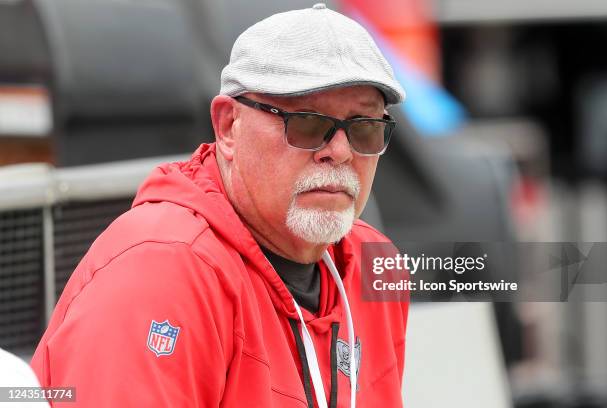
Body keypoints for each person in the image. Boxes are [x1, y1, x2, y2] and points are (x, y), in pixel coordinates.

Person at [31, 3, 409, 407]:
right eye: (309, 124)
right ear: (229, 126)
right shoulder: (161, 273)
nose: (339, 150)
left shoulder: (375, 265)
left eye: (365, 128)